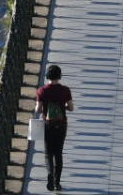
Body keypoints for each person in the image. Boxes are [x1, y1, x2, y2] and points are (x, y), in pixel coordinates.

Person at [35, 64, 74, 192]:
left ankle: (50, 176)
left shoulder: (41, 91)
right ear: (60, 76)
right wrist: (64, 106)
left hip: (48, 124)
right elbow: (71, 107)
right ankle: (57, 183)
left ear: (47, 76)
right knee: (58, 153)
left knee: (48, 154)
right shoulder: (65, 90)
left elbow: (38, 109)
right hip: (61, 124)